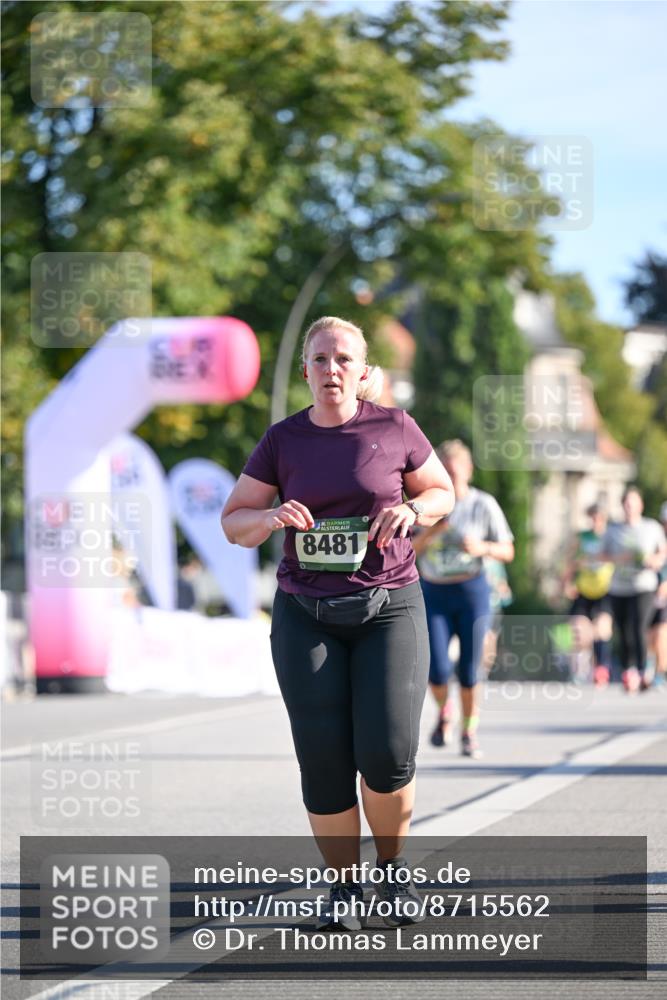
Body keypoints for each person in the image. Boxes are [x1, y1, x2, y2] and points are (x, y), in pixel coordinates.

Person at [221, 315, 454, 930]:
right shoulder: (283, 440)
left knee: (388, 753)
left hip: (390, 606)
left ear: (364, 370)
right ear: (305, 370)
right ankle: (344, 892)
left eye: (344, 359)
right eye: (321, 359)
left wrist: (412, 510)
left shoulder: (395, 427)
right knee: (323, 760)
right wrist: (271, 517)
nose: (332, 370)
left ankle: (394, 871)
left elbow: (442, 493)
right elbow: (234, 523)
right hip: (306, 614)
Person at [411, 440, 514, 759]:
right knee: (437, 668)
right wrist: (433, 531)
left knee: (470, 670)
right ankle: (445, 712)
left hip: (472, 591)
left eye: (458, 472)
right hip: (434, 591)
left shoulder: (483, 505)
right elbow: (409, 553)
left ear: (469, 471)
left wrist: (481, 547)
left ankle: (469, 731)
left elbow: (508, 550)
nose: (453, 479)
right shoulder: (424, 504)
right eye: (447, 472)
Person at [604, 487, 667, 692]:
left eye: (633, 503)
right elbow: (602, 555)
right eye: (626, 504)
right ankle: (628, 669)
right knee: (623, 630)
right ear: (622, 506)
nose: (629, 507)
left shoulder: (651, 528)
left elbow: (662, 552)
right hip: (619, 587)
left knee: (639, 625)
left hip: (644, 585)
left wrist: (655, 560)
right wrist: (618, 559)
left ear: (641, 505)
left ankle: (641, 671)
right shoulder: (613, 530)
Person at [561, 503, 614, 685]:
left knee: (602, 629)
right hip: (583, 590)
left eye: (599, 518)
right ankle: (579, 669)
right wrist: (567, 583)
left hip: (605, 590)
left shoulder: (611, 536)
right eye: (592, 518)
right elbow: (570, 563)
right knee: (578, 630)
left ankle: (602, 668)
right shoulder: (581, 538)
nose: (595, 522)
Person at [647, 500, 667, 688]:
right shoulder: (655, 541)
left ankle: (660, 672)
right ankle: (652, 669)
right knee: (652, 633)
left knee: (661, 632)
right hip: (651, 593)